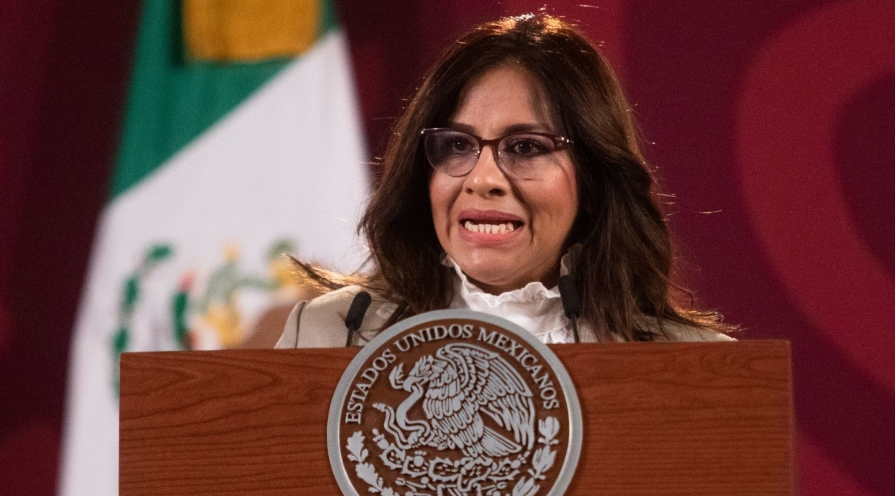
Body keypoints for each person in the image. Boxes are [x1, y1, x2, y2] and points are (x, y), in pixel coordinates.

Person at [275, 12, 733, 348]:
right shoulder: (327, 333)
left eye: (526, 147)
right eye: (458, 145)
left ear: (593, 180)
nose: (483, 179)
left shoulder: (696, 364)